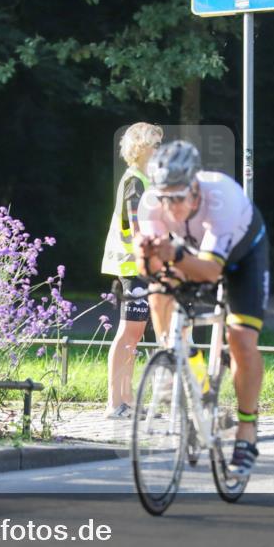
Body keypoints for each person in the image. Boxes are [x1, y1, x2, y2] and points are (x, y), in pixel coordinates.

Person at [136, 140, 269, 477]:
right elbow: (151, 270)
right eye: (164, 198)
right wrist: (145, 255)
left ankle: (247, 431)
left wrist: (173, 255)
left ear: (195, 188)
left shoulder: (221, 197)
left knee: (240, 339)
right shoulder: (151, 204)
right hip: (191, 250)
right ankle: (176, 358)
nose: (171, 207)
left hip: (241, 256)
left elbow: (211, 271)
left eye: (178, 198)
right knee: (159, 289)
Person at [100, 122, 164, 419]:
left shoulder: (142, 179)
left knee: (133, 335)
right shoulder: (135, 180)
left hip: (139, 264)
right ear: (140, 147)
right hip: (134, 265)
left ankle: (125, 401)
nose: (159, 149)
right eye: (155, 144)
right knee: (129, 333)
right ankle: (116, 403)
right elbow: (136, 227)